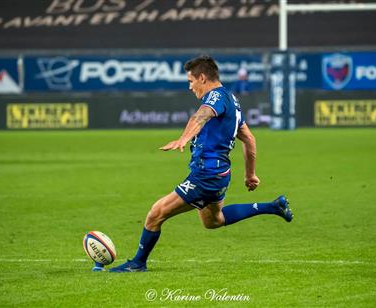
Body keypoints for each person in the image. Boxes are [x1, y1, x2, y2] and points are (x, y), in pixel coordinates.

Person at [104, 55, 293, 273]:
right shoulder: (232, 100)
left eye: (190, 81)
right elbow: (249, 139)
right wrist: (250, 174)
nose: (190, 87)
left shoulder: (215, 97)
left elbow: (201, 116)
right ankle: (273, 206)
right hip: (221, 174)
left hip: (206, 174)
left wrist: (183, 138)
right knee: (213, 221)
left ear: (202, 78)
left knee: (155, 213)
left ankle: (137, 263)